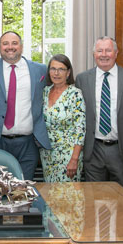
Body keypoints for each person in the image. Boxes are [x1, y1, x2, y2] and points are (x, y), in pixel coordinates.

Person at [0, 31, 50, 180]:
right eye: (5, 43)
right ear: (0, 47)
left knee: (23, 191)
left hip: (28, 144)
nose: (10, 47)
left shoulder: (40, 70)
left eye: (14, 43)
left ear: (21, 47)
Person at [75, 37, 123, 189]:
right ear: (93, 54)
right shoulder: (82, 79)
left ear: (116, 53)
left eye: (108, 50)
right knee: (94, 199)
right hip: (93, 149)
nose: (104, 54)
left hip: (121, 149)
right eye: (99, 50)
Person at [40, 54, 85, 182]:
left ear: (68, 72)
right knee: (50, 195)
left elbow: (80, 130)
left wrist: (74, 159)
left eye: (61, 69)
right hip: (47, 154)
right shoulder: (45, 92)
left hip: (68, 155)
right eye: (53, 69)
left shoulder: (75, 94)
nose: (56, 73)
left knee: (68, 195)